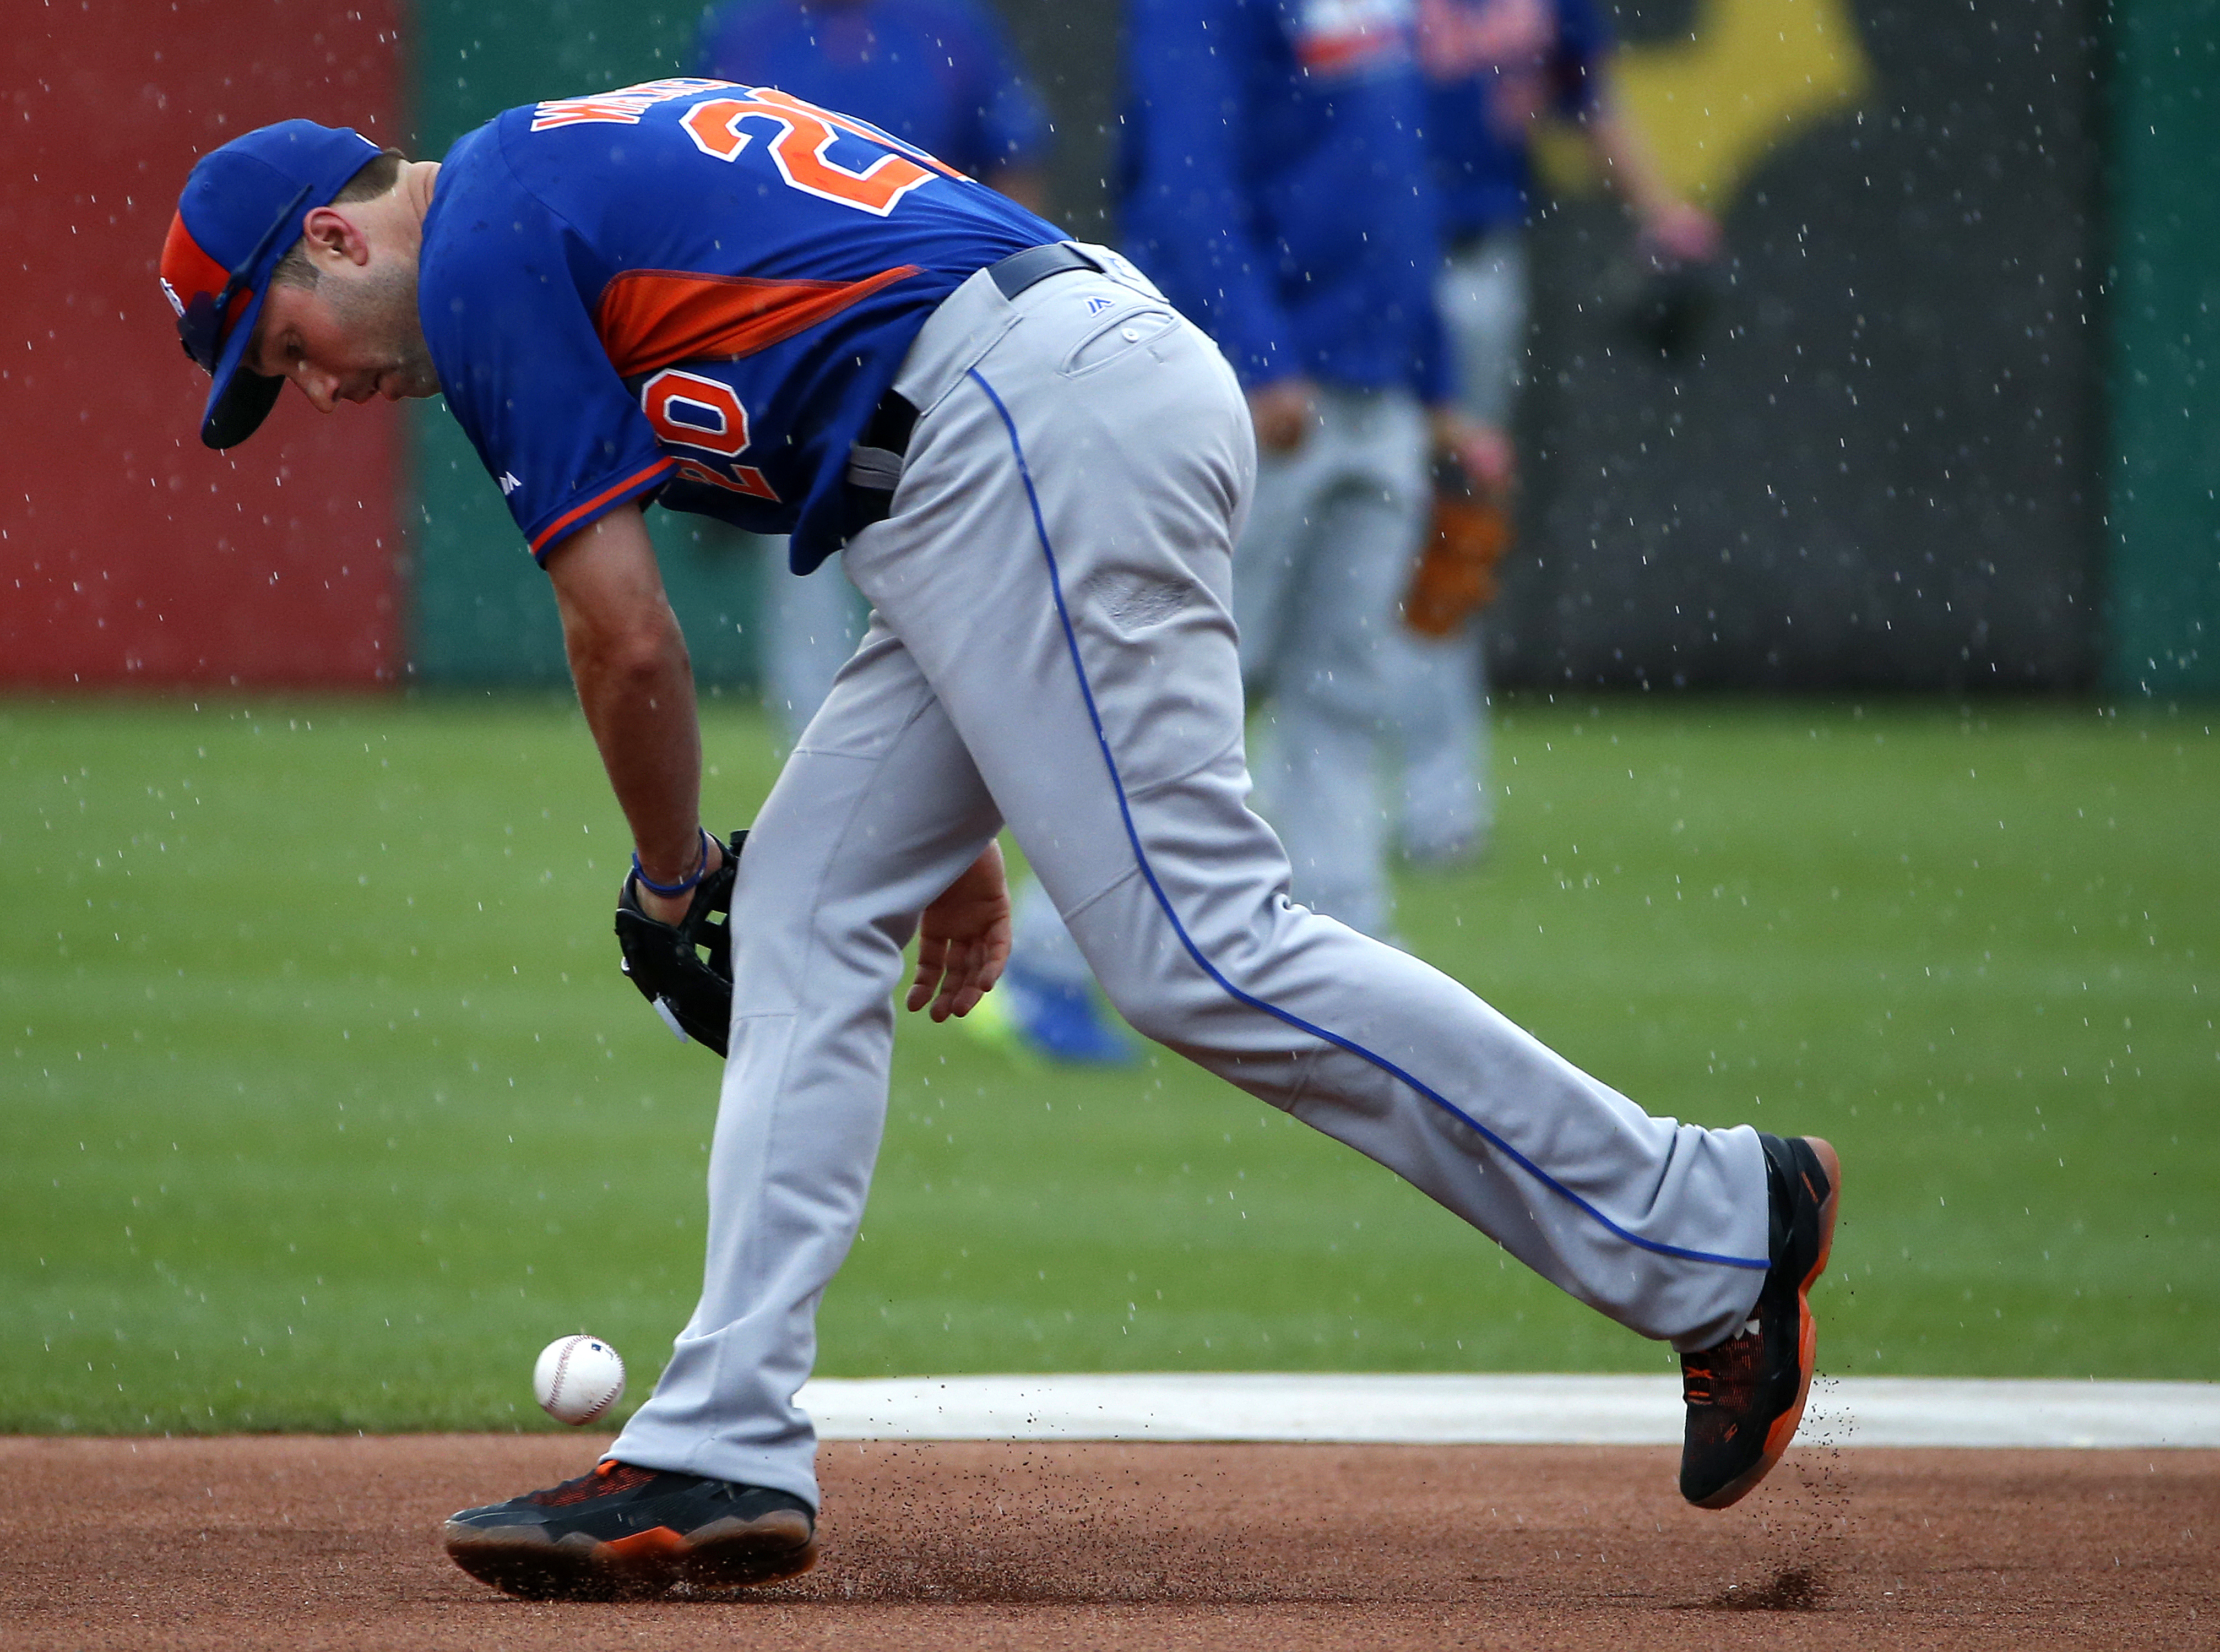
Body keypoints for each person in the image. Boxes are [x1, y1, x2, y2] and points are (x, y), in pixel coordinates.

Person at [156, 95, 1838, 1600]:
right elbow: (863, 397)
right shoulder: (559, 179)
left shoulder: (483, 253)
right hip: (1011, 428)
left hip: (1030, 427)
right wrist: (951, 817)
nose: (308, 388)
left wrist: (673, 878)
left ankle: (1706, 1220)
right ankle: (724, 1441)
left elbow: (630, 643)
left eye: (281, 342)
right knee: (813, 900)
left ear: (333, 230)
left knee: (1193, 950)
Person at [981, 0, 1517, 1063]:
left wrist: (1436, 383)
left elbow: (1397, 184)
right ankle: (1043, 956)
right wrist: (1255, 353)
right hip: (1257, 393)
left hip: (1372, 390)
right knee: (1182, 687)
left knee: (1344, 690)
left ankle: (1353, 967)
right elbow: (1184, 177)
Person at [1405, 0, 1724, 858]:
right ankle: (1309, 790)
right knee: (1334, 521)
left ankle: (1437, 805)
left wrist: (1663, 213)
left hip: (1474, 263)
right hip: (1355, 271)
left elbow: (1588, 95)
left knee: (1448, 527)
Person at [692, 0, 1053, 743]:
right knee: (804, 569)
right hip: (790, 338)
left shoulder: (948, 22)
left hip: (936, 328)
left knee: (953, 552)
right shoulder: (746, 24)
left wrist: (1015, 310)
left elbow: (1013, 161)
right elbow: (698, 187)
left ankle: (964, 747)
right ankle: (823, 763)